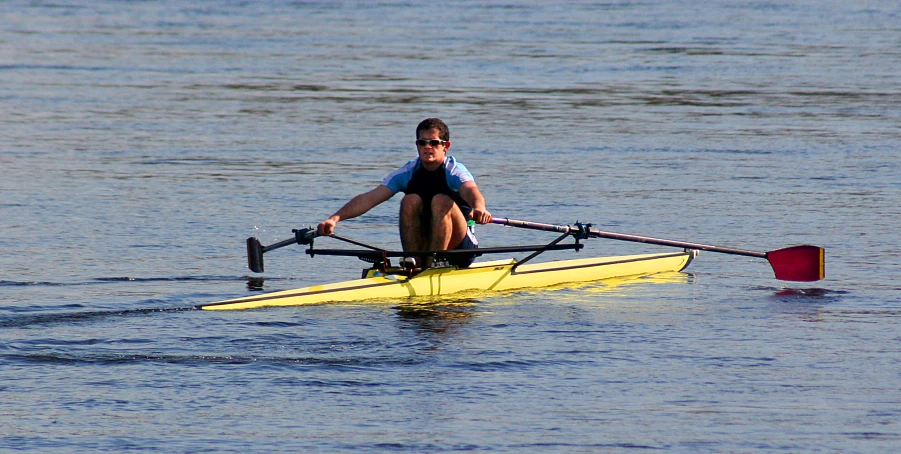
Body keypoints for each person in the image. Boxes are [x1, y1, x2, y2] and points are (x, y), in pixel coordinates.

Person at [317, 118, 491, 268]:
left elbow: (471, 191)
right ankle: (413, 262)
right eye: (422, 142)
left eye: (434, 142)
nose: (427, 147)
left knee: (440, 200)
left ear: (446, 146)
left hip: (461, 248)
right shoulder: (407, 172)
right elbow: (369, 198)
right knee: (409, 200)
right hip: (427, 243)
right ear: (417, 145)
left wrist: (479, 208)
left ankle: (434, 263)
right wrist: (335, 218)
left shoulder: (454, 171)